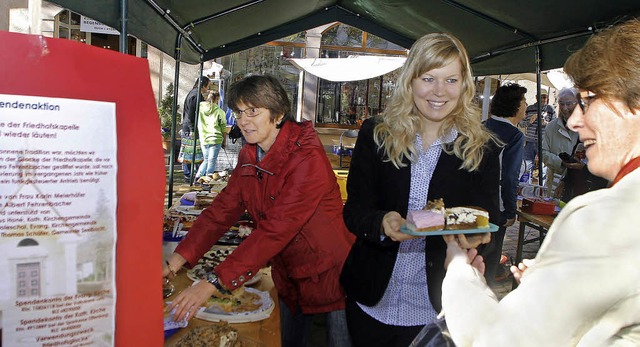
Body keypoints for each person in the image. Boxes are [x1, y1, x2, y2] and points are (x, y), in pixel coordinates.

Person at [441, 19, 640, 346]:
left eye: (588, 101)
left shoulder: (607, 218)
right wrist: (553, 289)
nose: (575, 121)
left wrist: (460, 274)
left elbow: (497, 340)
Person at [164, 75, 354, 347]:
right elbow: (222, 210)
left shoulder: (307, 158)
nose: (243, 120)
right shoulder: (250, 154)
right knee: (281, 339)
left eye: (253, 111)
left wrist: (213, 283)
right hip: (286, 271)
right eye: (239, 112)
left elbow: (275, 229)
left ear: (277, 115)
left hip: (328, 271)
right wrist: (175, 262)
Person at [339, 32, 500, 347]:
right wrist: (382, 223)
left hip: (437, 310)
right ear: (410, 81)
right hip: (370, 301)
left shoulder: (482, 148)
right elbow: (354, 211)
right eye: (429, 78)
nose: (439, 91)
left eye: (451, 80)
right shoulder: (376, 134)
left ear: (465, 85)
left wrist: (475, 241)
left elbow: (489, 222)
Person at [481, 83, 527, 284]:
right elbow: (509, 176)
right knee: (489, 261)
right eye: (524, 101)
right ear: (516, 106)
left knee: (473, 259)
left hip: (472, 202)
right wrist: (510, 210)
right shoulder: (514, 135)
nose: (527, 105)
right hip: (495, 206)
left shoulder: (481, 126)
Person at [541, 88, 580, 196]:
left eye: (568, 104)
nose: (564, 108)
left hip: (577, 183)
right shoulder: (552, 126)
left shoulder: (586, 127)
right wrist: (561, 162)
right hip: (553, 180)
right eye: (561, 103)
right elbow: (543, 153)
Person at [520, 88, 556, 183]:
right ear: (537, 97)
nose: (544, 100)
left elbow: (555, 126)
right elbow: (521, 124)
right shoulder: (529, 109)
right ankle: (525, 186)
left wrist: (546, 123)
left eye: (545, 97)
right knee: (527, 165)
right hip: (530, 142)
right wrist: (529, 121)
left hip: (544, 142)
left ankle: (541, 188)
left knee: (543, 166)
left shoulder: (550, 109)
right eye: (542, 97)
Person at [182, 76, 210, 181]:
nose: (207, 89)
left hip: (189, 125)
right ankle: (190, 175)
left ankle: (190, 175)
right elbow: (190, 114)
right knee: (193, 151)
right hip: (191, 127)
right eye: (207, 86)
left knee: (191, 151)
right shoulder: (195, 95)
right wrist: (192, 130)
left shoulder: (193, 93)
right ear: (203, 85)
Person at [195, 90, 226, 180]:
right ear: (217, 99)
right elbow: (223, 128)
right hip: (216, 138)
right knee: (211, 160)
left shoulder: (200, 108)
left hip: (204, 137)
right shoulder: (220, 112)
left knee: (206, 159)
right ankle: (208, 178)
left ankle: (198, 177)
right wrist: (224, 141)